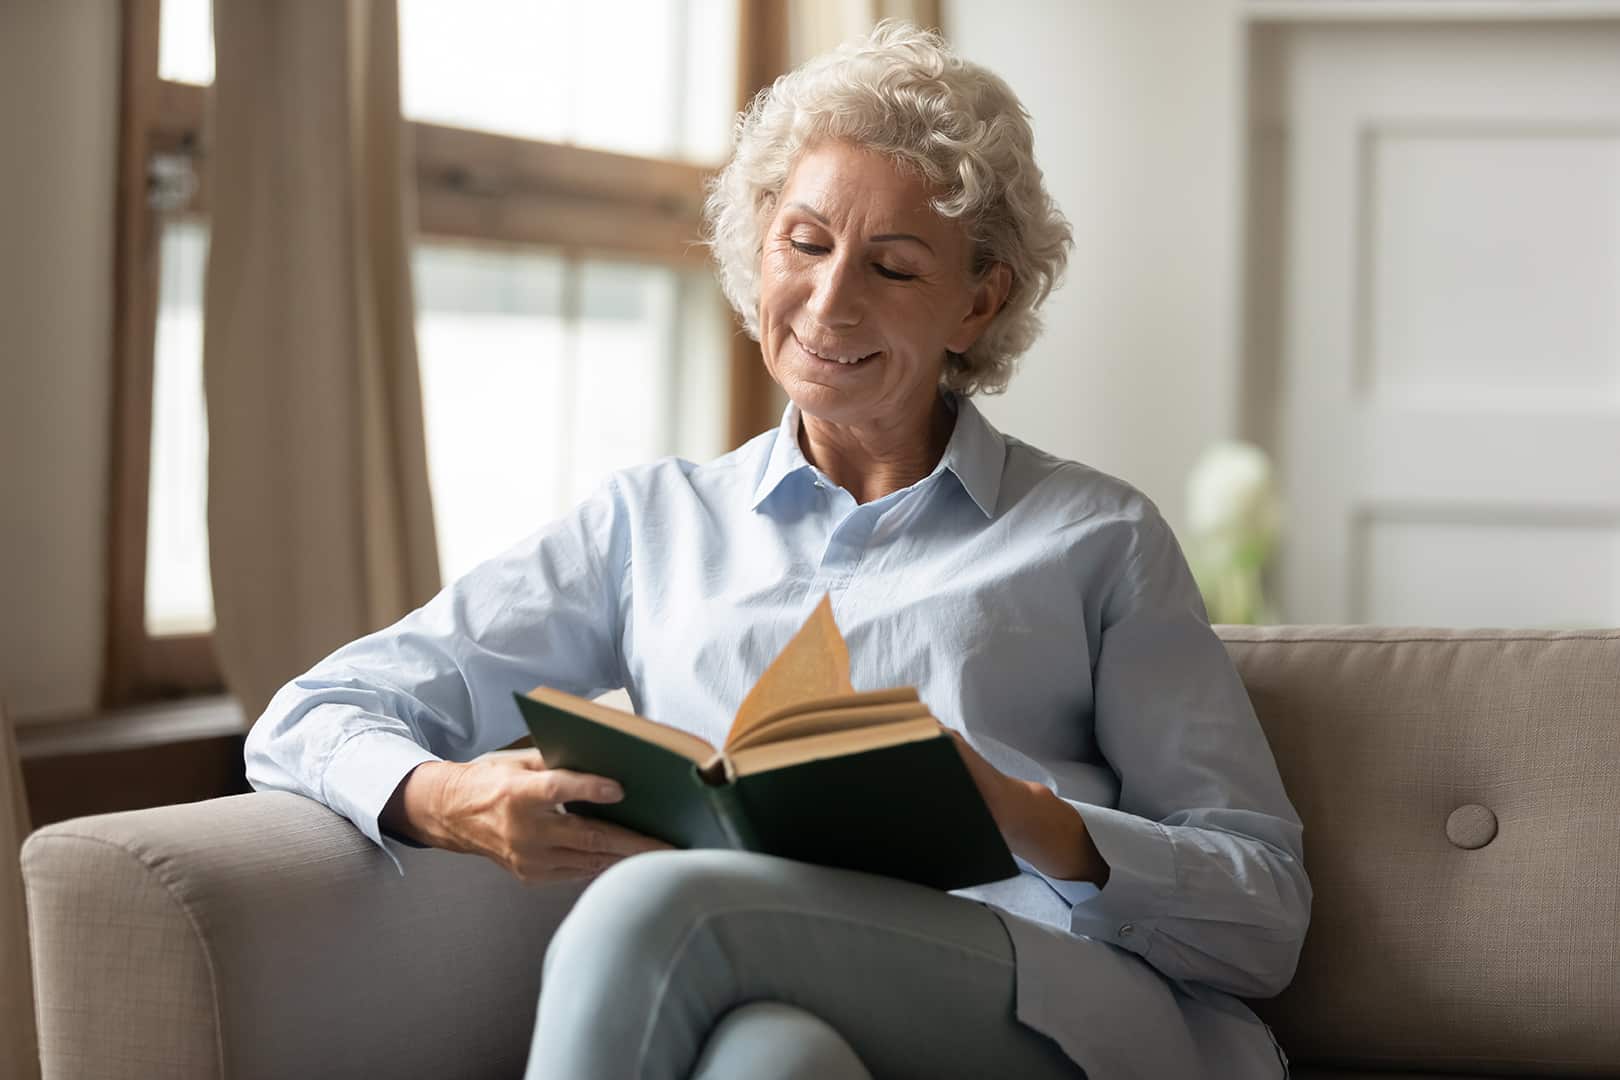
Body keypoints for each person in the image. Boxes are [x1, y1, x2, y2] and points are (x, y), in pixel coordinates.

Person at [245, 21, 1309, 1079]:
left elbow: (1262, 914)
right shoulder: (649, 525)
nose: (830, 300)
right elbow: (307, 715)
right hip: (778, 985)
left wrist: (1015, 811)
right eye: (804, 244)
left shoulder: (1097, 536)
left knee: (663, 906)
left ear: (977, 301)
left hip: (1048, 1012)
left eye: (892, 267)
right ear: (759, 248)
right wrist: (447, 799)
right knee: (769, 1063)